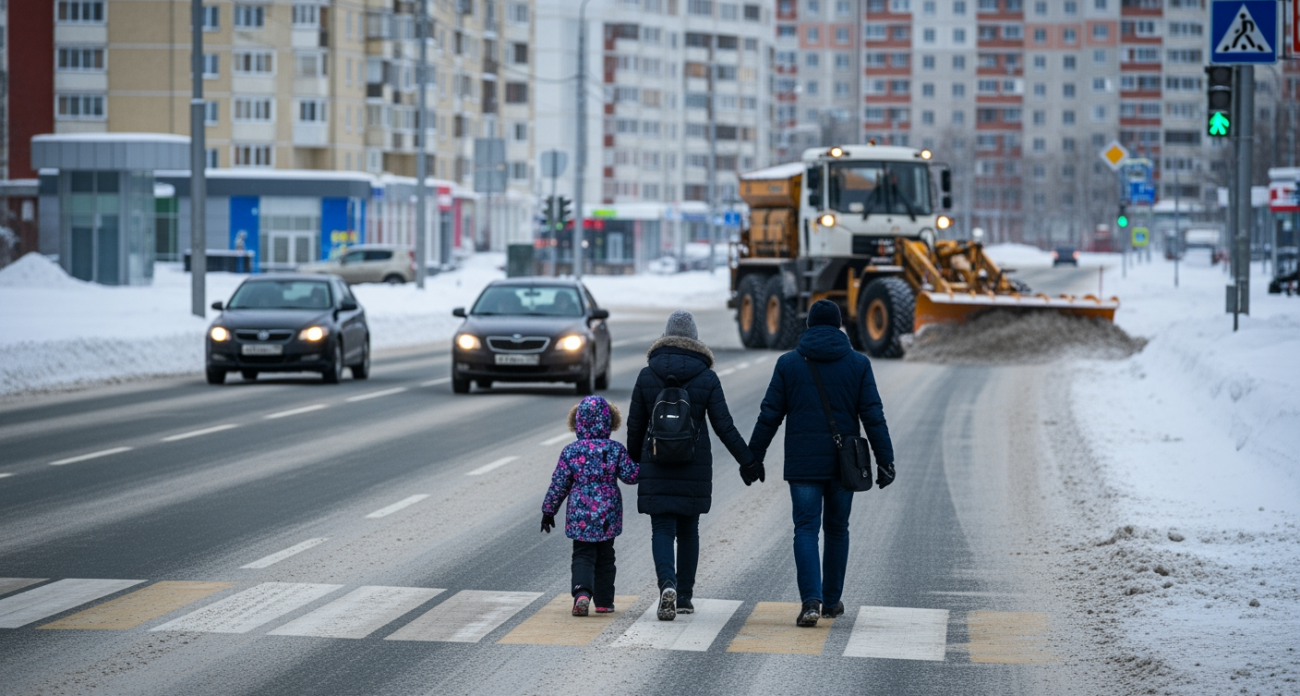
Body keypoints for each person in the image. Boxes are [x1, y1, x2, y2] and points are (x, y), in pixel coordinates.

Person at [747, 300, 895, 627]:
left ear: (809, 326)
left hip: (803, 465)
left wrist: (752, 457)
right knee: (838, 529)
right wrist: (885, 460)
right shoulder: (858, 364)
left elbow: (769, 415)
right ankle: (830, 601)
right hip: (846, 465)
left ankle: (810, 601)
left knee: (806, 528)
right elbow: (873, 415)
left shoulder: (789, 364)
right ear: (840, 326)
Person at [627, 310, 762, 622]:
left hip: (657, 462)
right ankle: (685, 597)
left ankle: (667, 586)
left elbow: (635, 426)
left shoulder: (647, 375)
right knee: (689, 530)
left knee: (662, 527)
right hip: (693, 465)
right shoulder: (707, 377)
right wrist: (749, 461)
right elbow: (724, 426)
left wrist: (635, 461)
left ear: (665, 337)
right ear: (696, 340)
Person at [541, 395, 639, 616]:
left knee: (583, 554)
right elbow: (631, 475)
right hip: (607, 514)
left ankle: (582, 594)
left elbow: (559, 484)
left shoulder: (571, 451)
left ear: (577, 421)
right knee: (606, 556)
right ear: (609, 421)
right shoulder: (615, 449)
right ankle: (604, 602)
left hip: (580, 514)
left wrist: (548, 511)